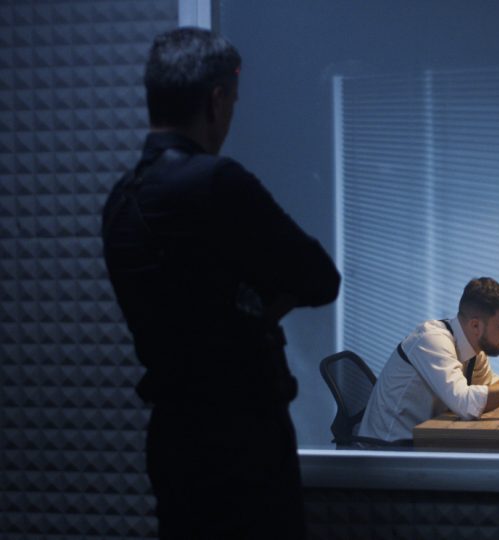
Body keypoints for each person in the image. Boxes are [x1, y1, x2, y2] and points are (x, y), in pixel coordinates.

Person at [102, 28, 340, 539]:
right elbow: (321, 279)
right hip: (243, 441)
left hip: (172, 440)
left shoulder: (120, 202)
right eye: (232, 100)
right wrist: (260, 302)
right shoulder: (216, 183)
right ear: (216, 100)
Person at [359, 277, 499, 442]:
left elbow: (491, 384)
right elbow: (466, 405)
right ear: (475, 326)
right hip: (389, 451)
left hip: (425, 444)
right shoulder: (431, 339)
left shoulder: (473, 348)